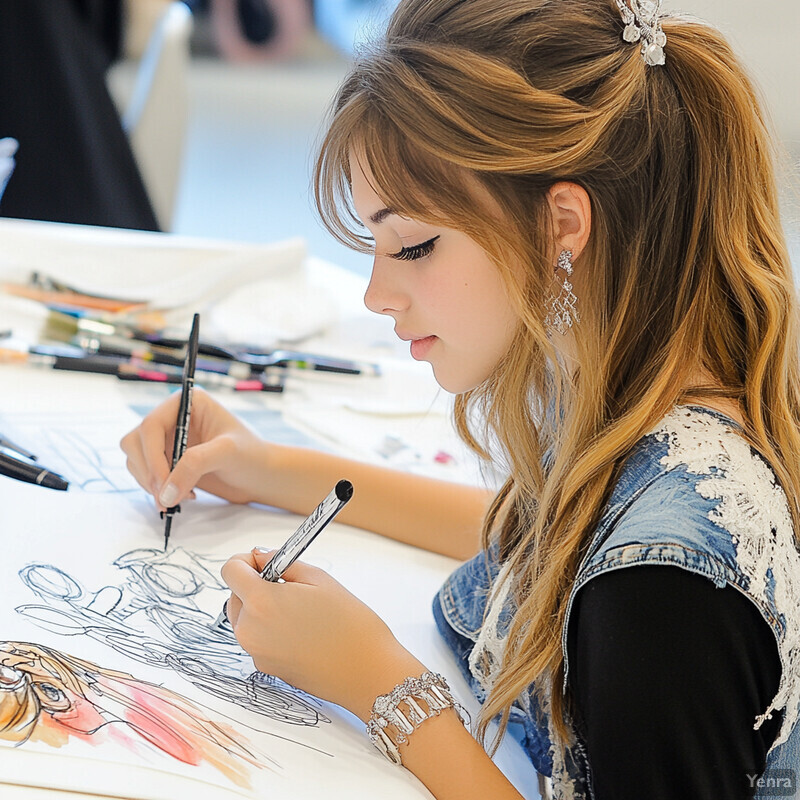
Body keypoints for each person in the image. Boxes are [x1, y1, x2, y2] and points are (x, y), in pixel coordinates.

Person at [121, 1, 800, 797]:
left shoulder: (661, 598)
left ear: (561, 227)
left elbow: (609, 575)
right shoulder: (637, 382)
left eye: (412, 245)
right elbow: (533, 535)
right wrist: (262, 468)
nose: (377, 294)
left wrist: (382, 685)